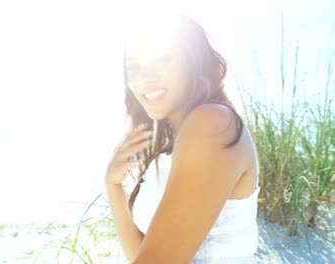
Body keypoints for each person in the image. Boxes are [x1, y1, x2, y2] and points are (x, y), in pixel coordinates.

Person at [105, 15, 260, 263]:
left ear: (193, 62)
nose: (145, 78)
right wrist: (113, 187)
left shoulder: (212, 124)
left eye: (163, 60)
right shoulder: (174, 147)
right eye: (134, 67)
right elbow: (143, 254)